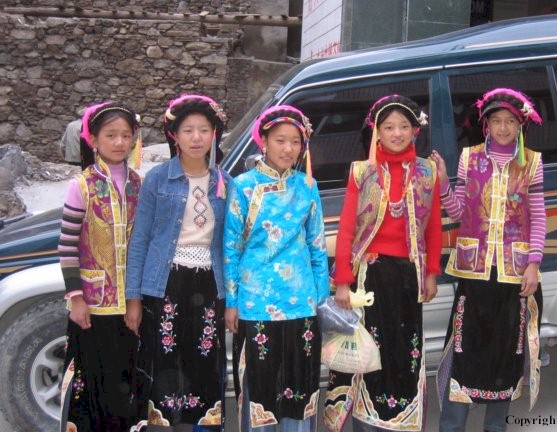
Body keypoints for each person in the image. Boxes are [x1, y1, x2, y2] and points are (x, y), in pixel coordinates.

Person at [430, 88, 546, 432]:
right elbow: (460, 212)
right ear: (485, 125)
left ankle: (496, 426)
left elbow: (538, 216)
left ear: (520, 125)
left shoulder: (532, 163)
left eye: (511, 121)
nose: (504, 128)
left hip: (513, 275)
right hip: (474, 273)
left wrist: (534, 264)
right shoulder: (470, 158)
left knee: (506, 353)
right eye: (497, 121)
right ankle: (452, 425)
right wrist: (441, 184)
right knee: (464, 350)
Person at [324, 94, 442, 432]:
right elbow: (347, 228)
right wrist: (343, 281)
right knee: (366, 355)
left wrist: (431, 274)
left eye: (404, 126)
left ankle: (399, 421)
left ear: (415, 130)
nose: (397, 133)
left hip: (407, 277)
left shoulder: (426, 171)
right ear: (377, 132)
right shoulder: (362, 171)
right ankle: (364, 422)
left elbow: (433, 227)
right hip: (368, 279)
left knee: (404, 355)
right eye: (389, 127)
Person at [125, 94, 229, 430]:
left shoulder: (225, 182)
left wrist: (234, 297)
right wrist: (134, 298)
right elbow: (140, 239)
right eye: (188, 130)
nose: (196, 138)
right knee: (166, 363)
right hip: (165, 282)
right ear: (175, 135)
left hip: (209, 284)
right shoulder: (157, 178)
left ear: (214, 133)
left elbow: (231, 242)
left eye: (203, 129)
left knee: (206, 362)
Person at [223, 104, 329, 431]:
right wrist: (231, 301)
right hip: (255, 304)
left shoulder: (307, 186)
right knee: (261, 388)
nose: (288, 148)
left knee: (299, 388)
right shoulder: (242, 186)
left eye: (295, 142)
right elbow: (231, 248)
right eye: (280, 140)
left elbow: (317, 246)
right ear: (263, 141)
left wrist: (321, 298)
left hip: (301, 303)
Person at [58, 102, 144, 431]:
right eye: (111, 135)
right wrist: (76, 298)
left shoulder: (139, 183)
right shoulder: (81, 186)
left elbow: (141, 246)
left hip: (129, 308)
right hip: (93, 308)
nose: (120, 142)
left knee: (127, 388)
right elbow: (67, 245)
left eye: (126, 135)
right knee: (91, 388)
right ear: (93, 139)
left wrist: (136, 299)